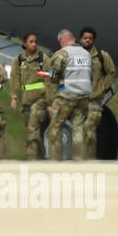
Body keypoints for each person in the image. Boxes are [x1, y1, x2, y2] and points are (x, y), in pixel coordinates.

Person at [44, 29, 91, 160]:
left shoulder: (62, 53)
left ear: (62, 40)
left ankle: (53, 159)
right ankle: (79, 159)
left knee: (55, 127)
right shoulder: (85, 54)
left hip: (67, 96)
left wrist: (50, 102)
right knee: (78, 129)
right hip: (83, 96)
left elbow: (52, 77)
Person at [9, 32, 51, 159]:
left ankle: (31, 159)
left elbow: (51, 77)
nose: (34, 44)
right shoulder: (19, 60)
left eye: (35, 42)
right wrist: (14, 97)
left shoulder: (42, 59)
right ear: (24, 44)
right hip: (26, 101)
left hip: (40, 100)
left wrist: (49, 101)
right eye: (31, 42)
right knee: (30, 130)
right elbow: (14, 78)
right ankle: (39, 156)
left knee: (32, 129)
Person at [78, 27, 117, 160]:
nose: (87, 40)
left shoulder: (102, 56)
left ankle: (89, 160)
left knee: (89, 131)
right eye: (85, 38)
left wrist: (101, 88)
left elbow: (111, 72)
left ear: (93, 40)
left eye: (90, 38)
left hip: (94, 101)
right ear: (81, 39)